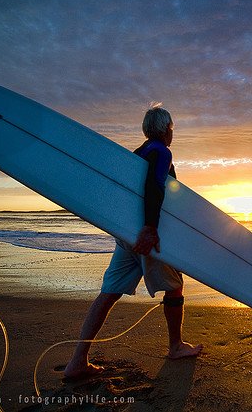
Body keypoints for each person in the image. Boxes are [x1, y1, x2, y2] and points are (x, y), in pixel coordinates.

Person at [64, 106, 203, 379]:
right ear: (166, 130)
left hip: (127, 236)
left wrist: (127, 230)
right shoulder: (162, 151)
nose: (171, 134)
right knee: (175, 287)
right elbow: (155, 186)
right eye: (172, 129)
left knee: (109, 293)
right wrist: (150, 228)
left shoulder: (136, 155)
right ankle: (175, 346)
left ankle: (77, 361)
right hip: (146, 236)